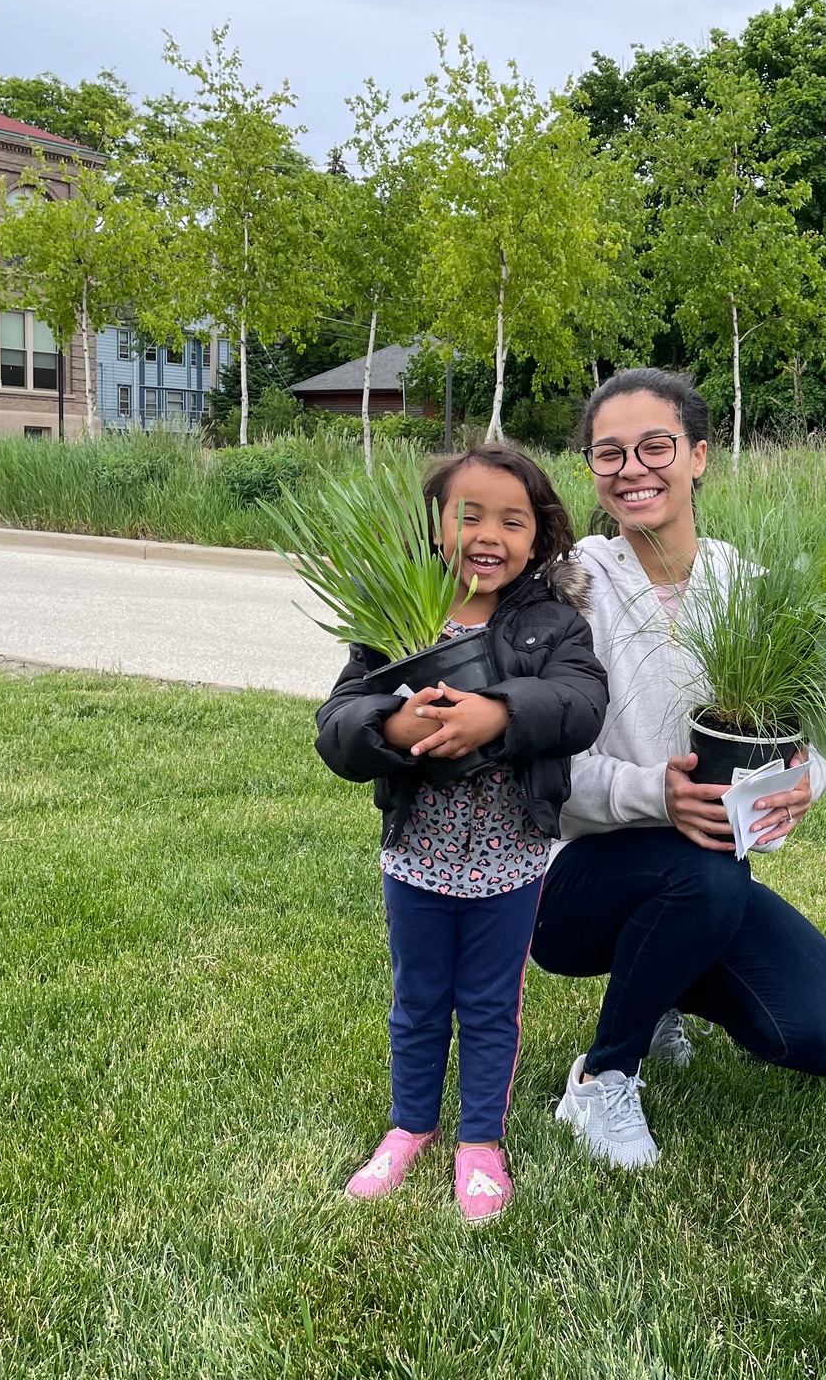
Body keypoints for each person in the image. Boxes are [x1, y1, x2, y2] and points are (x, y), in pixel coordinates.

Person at [530, 368, 826, 1170]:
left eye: (656, 446)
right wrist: (658, 793)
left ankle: (660, 989)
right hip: (570, 879)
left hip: (706, 868)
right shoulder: (563, 593)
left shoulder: (749, 589)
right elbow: (534, 764)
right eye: (609, 452)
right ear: (591, 468)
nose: (633, 468)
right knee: (707, 872)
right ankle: (603, 1074)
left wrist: (805, 781)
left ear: (699, 456)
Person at [315, 444, 608, 1219]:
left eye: (513, 520)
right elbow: (336, 724)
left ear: (539, 538)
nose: (489, 533)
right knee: (416, 999)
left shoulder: (552, 622)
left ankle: (481, 1141)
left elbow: (582, 705)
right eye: (469, 514)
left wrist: (502, 710)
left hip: (510, 859)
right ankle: (409, 1126)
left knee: (487, 1003)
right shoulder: (394, 618)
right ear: (436, 525)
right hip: (416, 855)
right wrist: (390, 720)